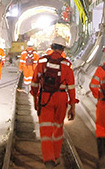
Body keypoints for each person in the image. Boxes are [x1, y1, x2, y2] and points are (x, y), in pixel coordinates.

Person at [31, 36, 77, 168]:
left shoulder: (42, 61)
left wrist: (35, 99)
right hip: (61, 99)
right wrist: (72, 106)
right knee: (58, 128)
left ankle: (48, 159)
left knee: (45, 131)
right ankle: (56, 156)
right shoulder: (67, 64)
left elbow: (34, 83)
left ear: (51, 47)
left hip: (45, 98)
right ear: (62, 49)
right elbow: (71, 87)